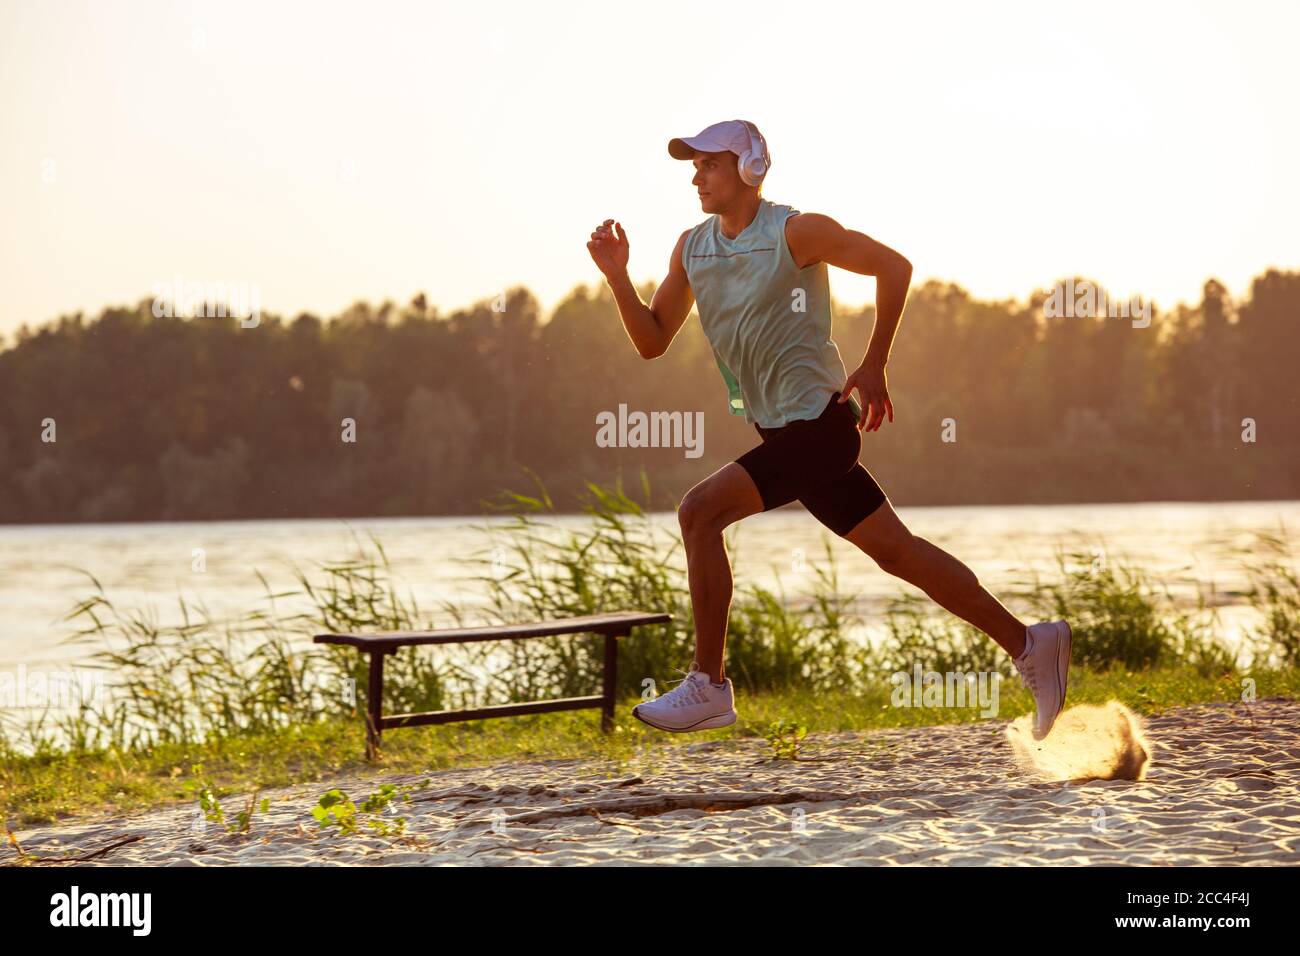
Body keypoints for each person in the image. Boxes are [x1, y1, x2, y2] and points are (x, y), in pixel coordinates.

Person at [585, 119, 1071, 741]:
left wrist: (875, 363)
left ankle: (709, 684)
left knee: (698, 512)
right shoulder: (691, 247)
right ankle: (1032, 644)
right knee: (899, 553)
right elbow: (653, 341)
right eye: (693, 164)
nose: (696, 174)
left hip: (820, 429)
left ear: (749, 168)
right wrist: (617, 275)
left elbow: (894, 267)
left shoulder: (796, 232)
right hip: (780, 435)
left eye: (709, 163)